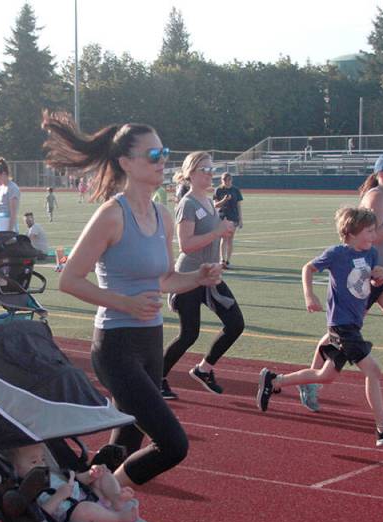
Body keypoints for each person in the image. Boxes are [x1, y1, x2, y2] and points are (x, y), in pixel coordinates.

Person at [42, 110, 223, 488]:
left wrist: (199, 277)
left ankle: (78, 495)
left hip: (150, 342)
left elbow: (166, 279)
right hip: (116, 345)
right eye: (153, 155)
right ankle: (100, 495)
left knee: (125, 442)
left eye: (165, 153)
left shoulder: (161, 215)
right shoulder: (112, 215)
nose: (163, 162)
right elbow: (70, 279)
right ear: (126, 162)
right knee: (173, 444)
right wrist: (123, 303)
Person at [256, 207, 383, 446]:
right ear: (351, 232)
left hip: (354, 324)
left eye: (374, 230)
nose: (374, 235)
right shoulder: (337, 253)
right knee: (373, 371)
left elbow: (371, 279)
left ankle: (274, 381)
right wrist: (309, 296)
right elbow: (308, 268)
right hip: (342, 326)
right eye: (369, 231)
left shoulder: (371, 254)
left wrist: (380, 275)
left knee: (326, 376)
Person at [300, 152, 383, 416]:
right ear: (381, 174)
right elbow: (370, 237)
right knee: (340, 332)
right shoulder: (375, 197)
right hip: (364, 276)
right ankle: (311, 380)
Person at [160, 153, 242, 400]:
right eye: (204, 169)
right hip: (189, 274)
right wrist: (217, 230)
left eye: (211, 168)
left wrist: (223, 232)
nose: (209, 173)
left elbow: (210, 234)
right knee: (189, 334)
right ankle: (157, 378)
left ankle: (204, 369)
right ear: (191, 173)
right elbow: (185, 244)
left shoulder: (207, 200)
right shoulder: (188, 204)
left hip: (209, 273)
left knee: (236, 323)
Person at [7, 443, 138, 522]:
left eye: (43, 459)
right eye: (34, 462)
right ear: (16, 468)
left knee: (104, 474)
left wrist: (91, 475)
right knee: (85, 510)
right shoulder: (25, 489)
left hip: (89, 496)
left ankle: (116, 498)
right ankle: (118, 518)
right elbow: (41, 515)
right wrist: (59, 496)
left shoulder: (49, 473)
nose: (41, 464)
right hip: (71, 513)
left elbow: (74, 479)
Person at [214, 172, 244, 268]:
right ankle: (222, 260)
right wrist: (224, 200)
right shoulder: (218, 190)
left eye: (229, 180)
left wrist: (240, 219)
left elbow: (238, 205)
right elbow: (215, 205)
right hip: (223, 216)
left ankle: (228, 261)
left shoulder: (235, 190)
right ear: (222, 180)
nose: (227, 182)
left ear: (231, 180)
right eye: (224, 180)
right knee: (223, 238)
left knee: (230, 239)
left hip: (233, 217)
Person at [0, 158, 20, 233]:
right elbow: (3, 206)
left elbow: (13, 213)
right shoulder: (1, 188)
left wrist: (9, 232)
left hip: (7, 225)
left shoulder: (12, 188)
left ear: (4, 174)